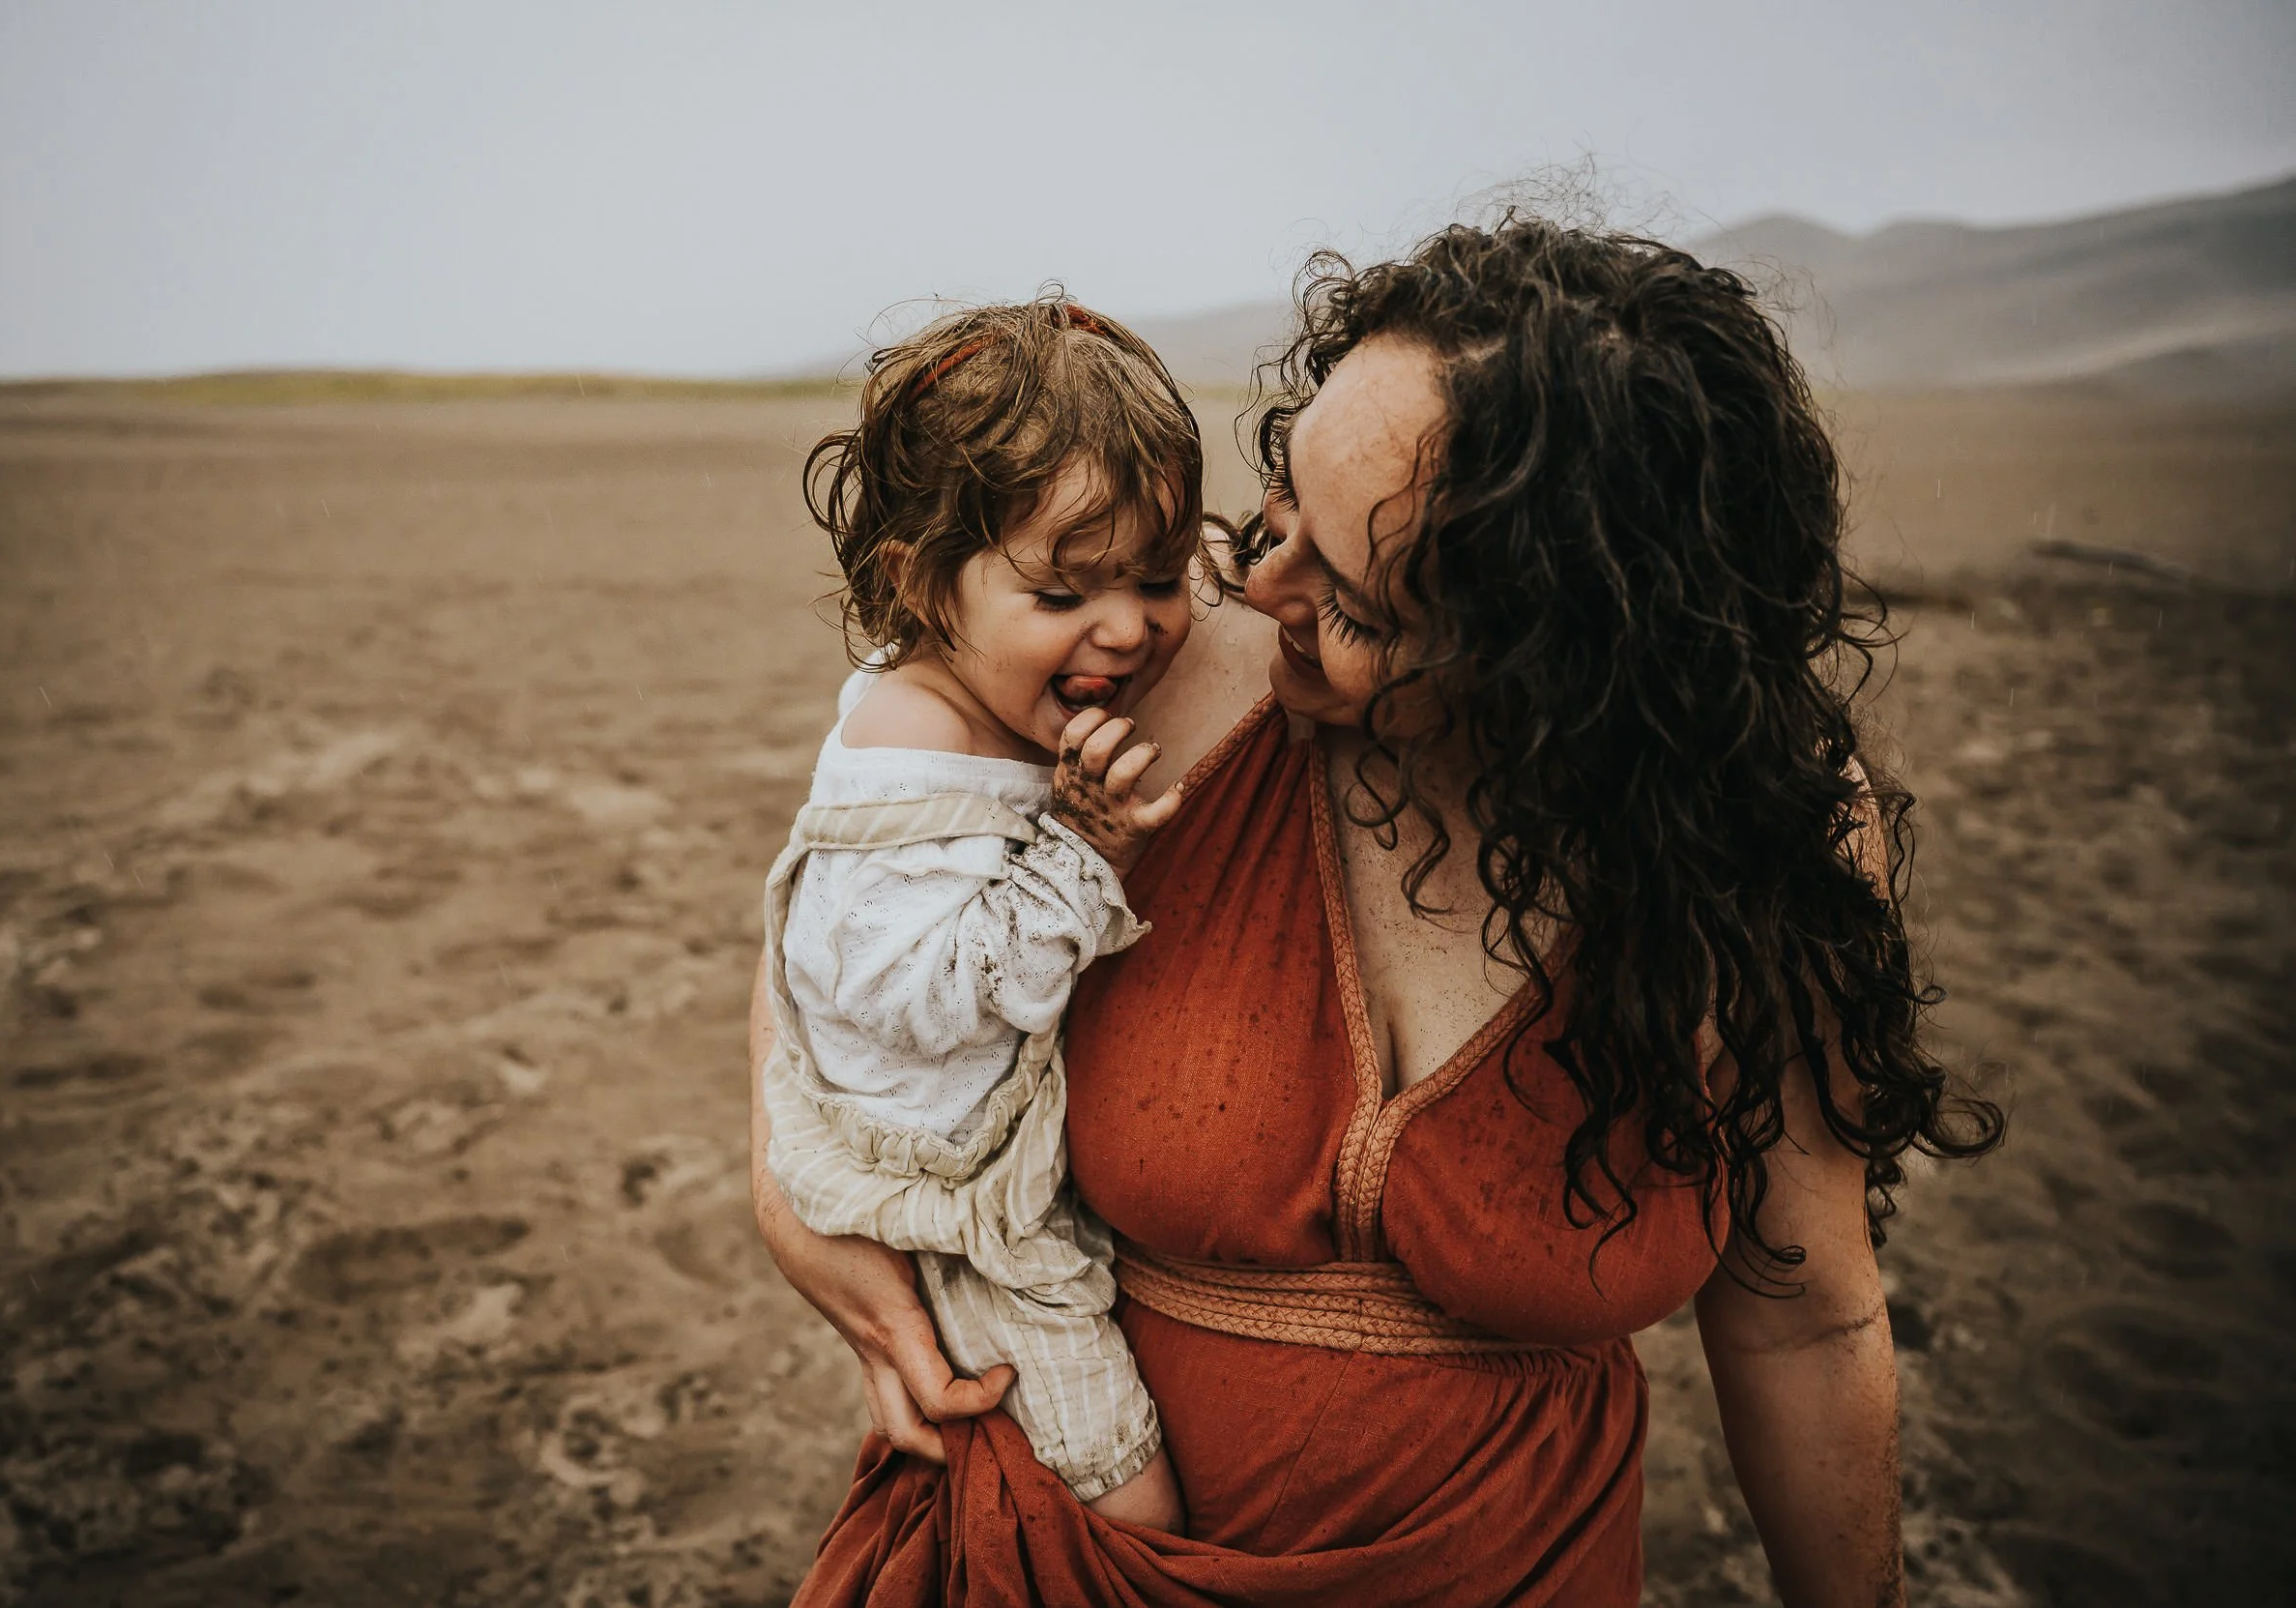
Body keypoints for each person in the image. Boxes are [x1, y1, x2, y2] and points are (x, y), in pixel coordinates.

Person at [750, 216, 2003, 1606]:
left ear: (1552, 659)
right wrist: (785, 1180)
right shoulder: (1151, 671)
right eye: (1278, 510)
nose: (1253, 585)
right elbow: (860, 849)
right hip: (1055, 1553)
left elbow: (1806, 1311)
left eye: (1348, 592)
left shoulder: (1762, 842)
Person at [761, 297, 1206, 1535]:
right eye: (1064, 593)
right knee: (1118, 1476)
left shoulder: (963, 694)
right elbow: (933, 996)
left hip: (983, 1161)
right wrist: (1082, 849)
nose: (1127, 627)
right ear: (919, 584)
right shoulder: (916, 753)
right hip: (955, 1207)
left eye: (1159, 577)